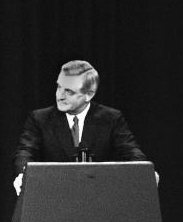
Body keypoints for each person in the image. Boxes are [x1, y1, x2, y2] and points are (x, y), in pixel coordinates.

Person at [12, 60, 153, 195]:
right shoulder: (40, 119)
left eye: (69, 91)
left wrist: (144, 171)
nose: (59, 96)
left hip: (99, 199)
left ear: (89, 95)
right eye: (59, 87)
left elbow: (130, 151)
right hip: (54, 197)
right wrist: (24, 173)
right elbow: (25, 152)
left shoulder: (111, 119)